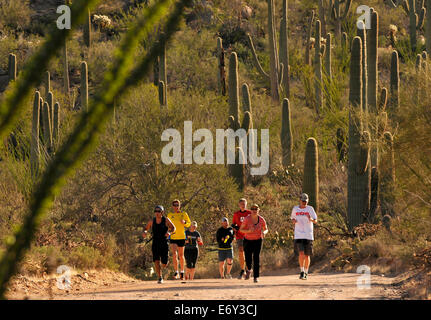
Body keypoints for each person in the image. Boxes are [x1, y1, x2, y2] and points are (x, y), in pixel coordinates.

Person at [143, 205, 176, 284]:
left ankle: (161, 268)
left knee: (164, 262)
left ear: (162, 212)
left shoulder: (166, 220)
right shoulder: (152, 221)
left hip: (164, 242)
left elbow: (173, 228)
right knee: (156, 260)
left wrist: (169, 232)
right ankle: (160, 277)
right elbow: (145, 228)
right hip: (155, 242)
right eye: (156, 211)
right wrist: (145, 232)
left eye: (159, 211)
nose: (157, 213)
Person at [291, 193, 317, 280]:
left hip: (308, 235)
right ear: (300, 200)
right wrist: (293, 221)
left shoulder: (310, 209)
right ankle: (301, 271)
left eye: (305, 201)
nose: (304, 203)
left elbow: (315, 220)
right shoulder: (295, 209)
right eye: (303, 201)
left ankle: (306, 272)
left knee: (307, 255)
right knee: (301, 253)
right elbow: (292, 218)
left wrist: (311, 219)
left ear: (307, 201)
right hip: (298, 234)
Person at [240, 203, 268, 283]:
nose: (254, 210)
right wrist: (248, 231)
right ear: (250, 210)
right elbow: (241, 229)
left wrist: (264, 232)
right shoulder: (247, 219)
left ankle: (256, 277)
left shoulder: (261, 219)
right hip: (247, 240)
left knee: (256, 258)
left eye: (256, 209)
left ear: (258, 210)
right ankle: (249, 270)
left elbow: (266, 228)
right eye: (253, 209)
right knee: (248, 258)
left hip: (258, 240)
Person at [167, 199, 191, 280]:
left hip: (181, 237)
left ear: (179, 206)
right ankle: (176, 271)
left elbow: (189, 224)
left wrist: (184, 222)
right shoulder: (170, 215)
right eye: (174, 205)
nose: (176, 207)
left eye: (177, 205)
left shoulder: (184, 214)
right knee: (174, 254)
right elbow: (167, 224)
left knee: (181, 255)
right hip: (173, 237)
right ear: (172, 206)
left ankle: (182, 272)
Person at [232, 198, 252, 279]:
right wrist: (235, 229)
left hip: (248, 235)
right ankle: (242, 269)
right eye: (241, 204)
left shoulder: (250, 213)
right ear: (239, 205)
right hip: (239, 235)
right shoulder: (236, 214)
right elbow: (233, 224)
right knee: (241, 251)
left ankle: (248, 270)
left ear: (246, 204)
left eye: (244, 204)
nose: (243, 206)